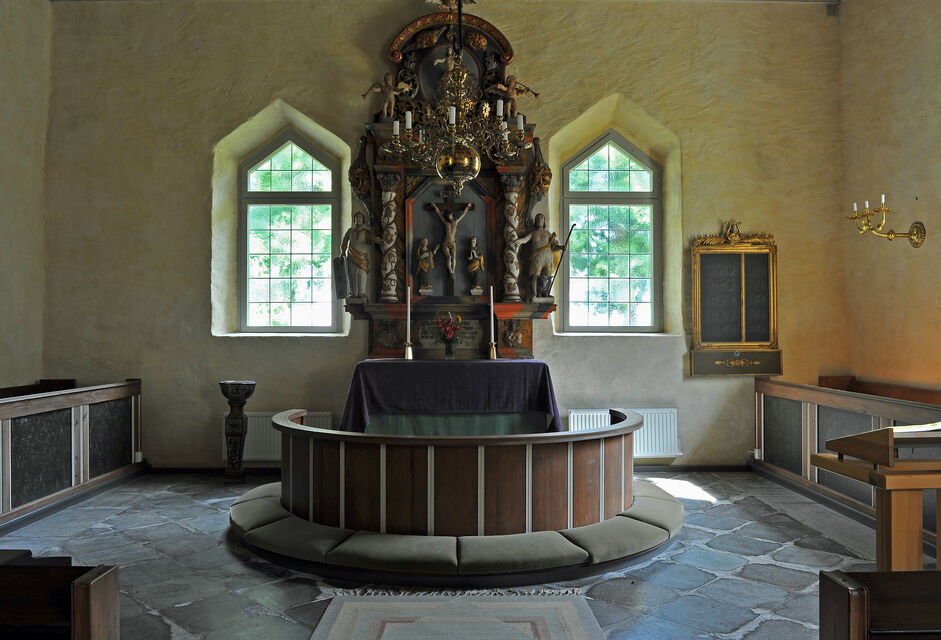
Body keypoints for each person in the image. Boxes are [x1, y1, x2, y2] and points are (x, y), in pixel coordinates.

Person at [514, 213, 567, 299]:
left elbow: (554, 246)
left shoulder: (548, 233)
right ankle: (534, 294)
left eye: (541, 218)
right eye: (538, 218)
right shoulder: (533, 233)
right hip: (537, 256)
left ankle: (547, 294)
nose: (539, 219)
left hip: (548, 255)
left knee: (548, 276)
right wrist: (519, 241)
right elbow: (525, 239)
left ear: (544, 221)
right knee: (536, 275)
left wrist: (561, 247)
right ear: (535, 221)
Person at [340, 211, 380, 299]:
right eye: (356, 217)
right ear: (354, 219)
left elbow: (374, 238)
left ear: (363, 220)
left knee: (361, 274)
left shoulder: (366, 232)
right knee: (352, 274)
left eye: (360, 217)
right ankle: (353, 293)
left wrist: (380, 240)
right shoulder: (350, 231)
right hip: (351, 256)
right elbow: (345, 241)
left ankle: (361, 292)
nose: (358, 219)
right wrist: (343, 251)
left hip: (362, 258)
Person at [430, 202, 470, 279]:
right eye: (448, 215)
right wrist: (434, 206)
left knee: (454, 257)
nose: (449, 215)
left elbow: (463, 215)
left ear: (452, 215)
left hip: (453, 242)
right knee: (449, 257)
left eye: (450, 214)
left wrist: (468, 206)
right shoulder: (446, 222)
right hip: (446, 242)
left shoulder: (456, 222)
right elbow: (439, 214)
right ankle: (451, 271)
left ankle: (453, 272)